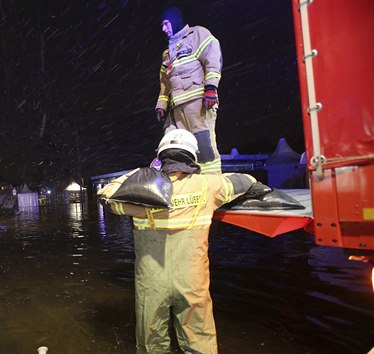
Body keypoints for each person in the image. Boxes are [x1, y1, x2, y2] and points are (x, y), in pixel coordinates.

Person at [98, 129, 256, 353]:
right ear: (191, 156)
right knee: (199, 337)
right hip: (192, 280)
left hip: (152, 282)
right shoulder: (208, 186)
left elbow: (108, 195)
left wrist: (142, 173)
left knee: (151, 341)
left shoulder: (141, 193)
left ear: (161, 156)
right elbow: (246, 180)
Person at [155, 6, 223, 174]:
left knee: (204, 146)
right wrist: (161, 105)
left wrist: (211, 88)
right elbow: (165, 83)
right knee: (179, 147)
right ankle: (188, 182)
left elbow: (213, 59)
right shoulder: (167, 53)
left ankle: (212, 181)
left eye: (166, 24)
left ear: (175, 21)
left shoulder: (197, 35)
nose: (163, 29)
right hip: (177, 109)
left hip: (198, 105)